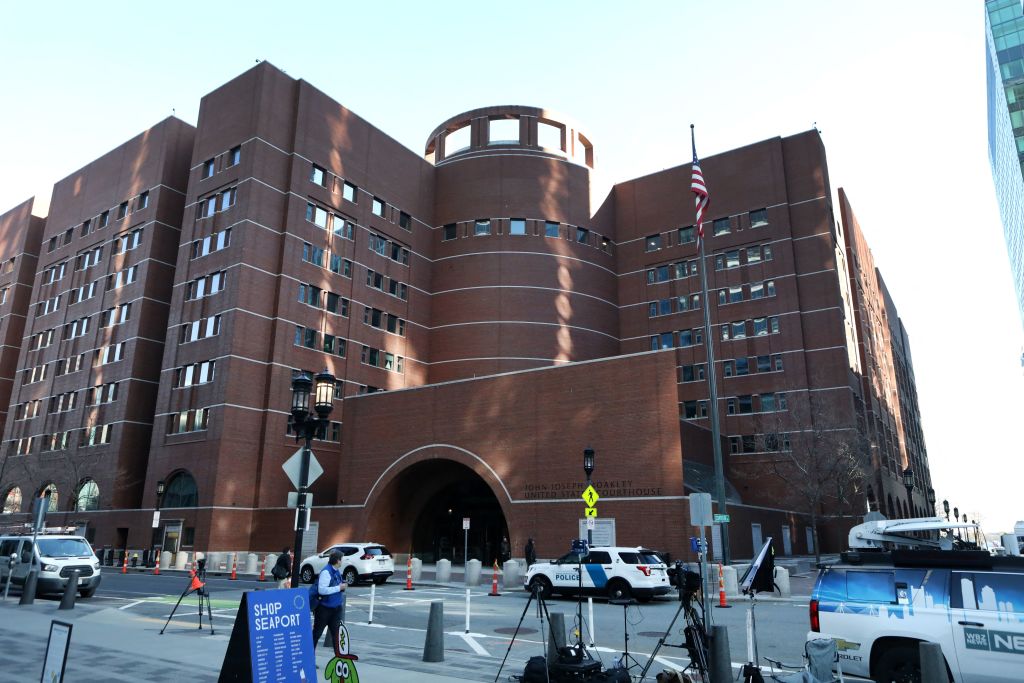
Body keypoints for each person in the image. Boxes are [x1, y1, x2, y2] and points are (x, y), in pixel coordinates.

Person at [312, 551, 347, 656]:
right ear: (337, 560)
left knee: (336, 635)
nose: (342, 561)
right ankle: (309, 660)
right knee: (317, 634)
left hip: (336, 608)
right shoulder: (326, 572)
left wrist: (342, 586)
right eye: (341, 559)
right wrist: (339, 587)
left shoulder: (336, 571)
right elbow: (322, 590)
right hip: (324, 609)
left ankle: (340, 661)